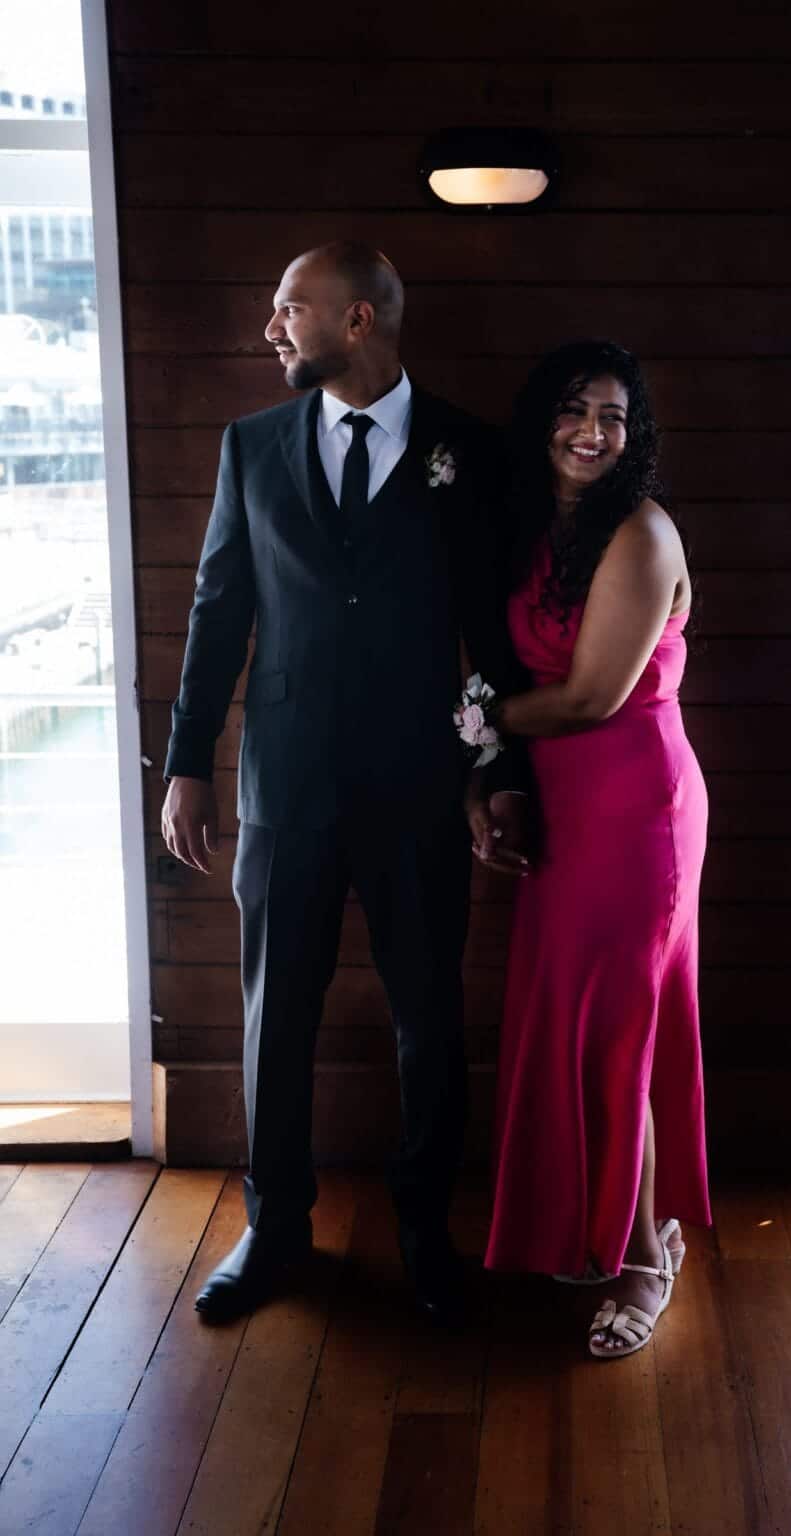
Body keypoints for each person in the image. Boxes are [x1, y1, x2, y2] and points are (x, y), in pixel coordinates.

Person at [161, 240, 529, 1327]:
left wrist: (497, 771)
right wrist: (187, 763)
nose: (272, 328)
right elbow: (217, 612)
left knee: (428, 1020)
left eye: (291, 308)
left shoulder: (468, 448)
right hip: (287, 788)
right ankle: (273, 1231)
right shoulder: (251, 447)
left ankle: (425, 1235)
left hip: (422, 788)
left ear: (359, 319)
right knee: (275, 1017)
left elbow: (492, 634)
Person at [477, 340, 713, 1359]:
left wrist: (467, 728)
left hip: (637, 816)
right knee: (577, 1027)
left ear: (633, 434)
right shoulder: (543, 531)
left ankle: (645, 1261)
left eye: (612, 416)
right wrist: (494, 770)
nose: (591, 432)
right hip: (572, 811)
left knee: (619, 1037)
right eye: (575, 411)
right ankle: (599, 1226)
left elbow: (587, 697)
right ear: (543, 421)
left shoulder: (639, 534)